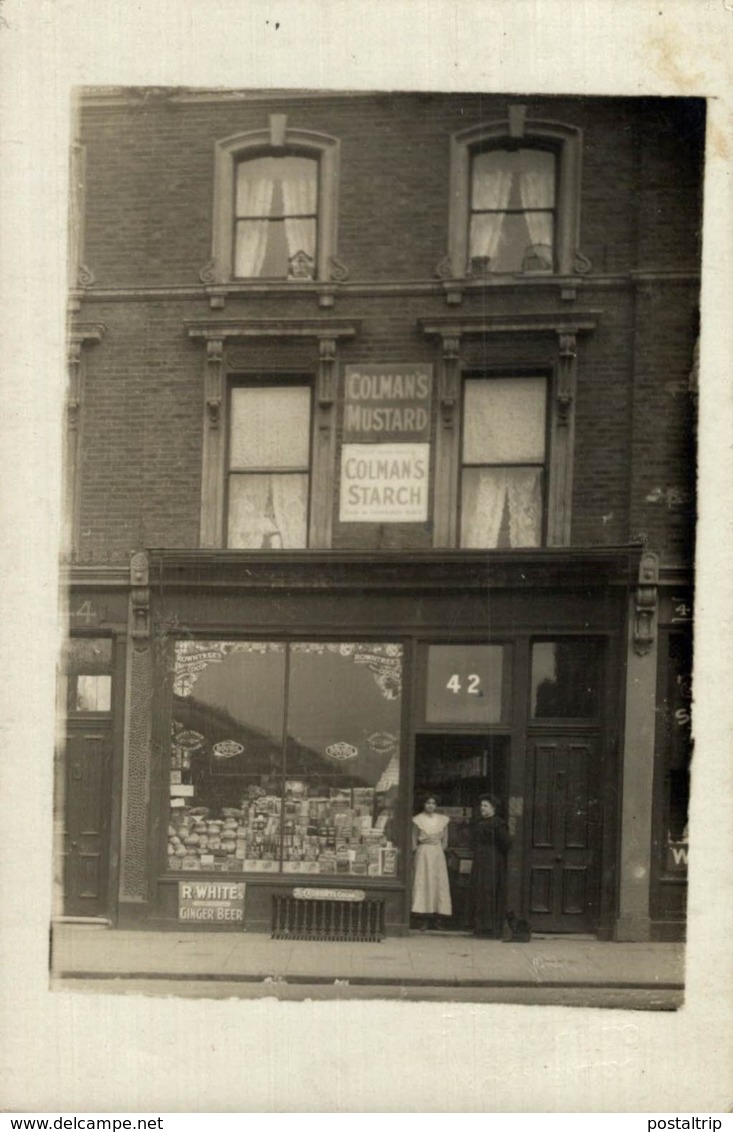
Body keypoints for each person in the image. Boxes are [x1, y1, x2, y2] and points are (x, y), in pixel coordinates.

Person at [470, 793, 512, 939]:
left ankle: (492, 928)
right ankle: (481, 927)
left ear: (493, 808)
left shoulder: (498, 823)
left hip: (493, 860)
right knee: (480, 891)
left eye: (485, 806)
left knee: (491, 891)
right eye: (481, 805)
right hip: (480, 860)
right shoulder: (479, 822)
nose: (482, 808)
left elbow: (506, 843)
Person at [411, 794, 452, 930]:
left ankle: (438, 917)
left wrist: (438, 846)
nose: (430, 805)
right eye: (428, 802)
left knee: (438, 883)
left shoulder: (443, 820)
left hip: (437, 853)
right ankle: (423, 918)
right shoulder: (417, 820)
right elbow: (413, 841)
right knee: (423, 882)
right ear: (423, 804)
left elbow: (445, 841)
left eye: (433, 803)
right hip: (423, 853)